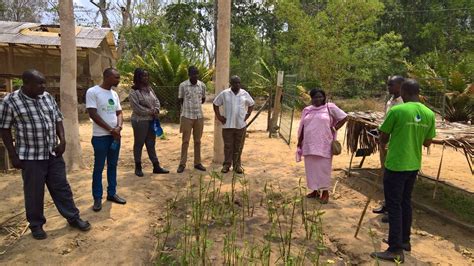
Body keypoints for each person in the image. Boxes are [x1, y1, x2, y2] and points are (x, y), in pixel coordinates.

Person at [0, 69, 91, 240]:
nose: (44, 86)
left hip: (52, 154)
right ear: (26, 83)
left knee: (62, 188)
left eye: (44, 82)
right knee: (34, 192)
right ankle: (36, 225)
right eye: (39, 83)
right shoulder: (10, 101)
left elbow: (57, 119)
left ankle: (73, 217)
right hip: (30, 157)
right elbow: (4, 129)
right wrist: (13, 155)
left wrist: (62, 140)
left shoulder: (47, 97)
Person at [371, 79, 436, 263]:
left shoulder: (397, 111)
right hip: (413, 165)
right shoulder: (429, 113)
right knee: (406, 203)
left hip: (396, 164)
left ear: (404, 91)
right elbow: (427, 142)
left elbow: (383, 137)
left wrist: (386, 143)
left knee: (394, 206)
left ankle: (395, 249)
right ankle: (404, 241)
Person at [297, 88, 347, 204]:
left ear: (324, 97)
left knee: (323, 169)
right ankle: (315, 191)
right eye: (315, 97)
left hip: (324, 144)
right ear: (311, 98)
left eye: (321, 97)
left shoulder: (329, 107)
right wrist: (300, 141)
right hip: (309, 144)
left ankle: (325, 192)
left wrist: (334, 128)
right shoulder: (307, 110)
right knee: (311, 169)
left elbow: (344, 117)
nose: (318, 99)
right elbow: (303, 126)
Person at [86, 68, 126, 212]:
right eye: (116, 77)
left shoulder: (114, 94)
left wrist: (119, 127)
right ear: (107, 77)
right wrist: (110, 129)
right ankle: (97, 197)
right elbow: (93, 114)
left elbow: (119, 112)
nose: (118, 80)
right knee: (98, 167)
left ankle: (112, 193)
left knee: (113, 165)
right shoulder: (93, 92)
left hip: (115, 136)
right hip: (101, 137)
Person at [373, 76, 405, 221]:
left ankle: (393, 210)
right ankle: (386, 204)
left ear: (400, 85)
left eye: (391, 85)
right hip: (385, 142)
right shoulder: (390, 101)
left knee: (395, 179)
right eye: (388, 85)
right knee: (386, 175)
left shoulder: (405, 103)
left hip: (397, 145)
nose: (389, 88)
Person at [129, 68, 169, 177]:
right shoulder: (134, 91)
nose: (146, 78)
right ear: (138, 77)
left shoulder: (150, 89)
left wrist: (156, 109)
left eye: (147, 76)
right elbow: (136, 107)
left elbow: (156, 100)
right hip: (139, 121)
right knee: (139, 143)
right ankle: (138, 166)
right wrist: (150, 111)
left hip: (151, 120)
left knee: (151, 143)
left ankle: (156, 166)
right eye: (143, 76)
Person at [213, 75, 255, 174]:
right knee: (228, 146)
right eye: (235, 83)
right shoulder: (224, 94)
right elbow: (215, 104)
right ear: (230, 84)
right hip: (227, 125)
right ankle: (227, 165)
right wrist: (219, 117)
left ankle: (237, 165)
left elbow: (251, 104)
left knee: (238, 146)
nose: (237, 85)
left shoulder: (244, 93)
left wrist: (247, 115)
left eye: (239, 83)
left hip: (240, 125)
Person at [177, 66, 207, 173]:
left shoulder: (202, 86)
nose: (195, 76)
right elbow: (180, 100)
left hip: (199, 116)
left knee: (198, 141)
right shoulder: (183, 86)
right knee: (185, 141)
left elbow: (203, 99)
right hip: (187, 116)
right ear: (189, 74)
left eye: (197, 74)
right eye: (193, 74)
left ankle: (197, 163)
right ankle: (182, 164)